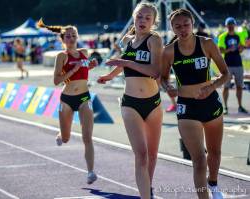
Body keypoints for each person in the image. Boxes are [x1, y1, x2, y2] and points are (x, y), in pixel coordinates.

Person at [161, 9, 230, 199]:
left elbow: (226, 73)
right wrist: (169, 87)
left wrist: (211, 87)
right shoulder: (168, 51)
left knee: (214, 153)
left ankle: (213, 184)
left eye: (186, 25)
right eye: (178, 26)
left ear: (192, 24)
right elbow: (163, 78)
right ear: (172, 28)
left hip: (211, 105)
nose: (182, 29)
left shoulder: (206, 44)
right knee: (199, 160)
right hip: (187, 108)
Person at [97, 2, 162, 199]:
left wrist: (124, 62)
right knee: (141, 155)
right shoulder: (127, 40)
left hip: (153, 104)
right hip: (130, 103)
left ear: (153, 22)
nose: (142, 21)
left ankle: (147, 188)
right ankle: (145, 197)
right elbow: (124, 62)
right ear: (134, 17)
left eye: (147, 18)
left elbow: (154, 71)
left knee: (152, 155)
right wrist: (110, 75)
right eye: (139, 17)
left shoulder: (154, 40)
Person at [37, 19, 98, 185]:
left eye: (73, 36)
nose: (71, 39)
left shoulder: (85, 52)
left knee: (87, 137)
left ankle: (90, 172)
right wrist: (73, 69)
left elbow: (85, 69)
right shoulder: (61, 56)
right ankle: (60, 134)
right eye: (68, 36)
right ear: (62, 39)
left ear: (77, 37)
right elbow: (56, 81)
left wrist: (91, 65)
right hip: (67, 99)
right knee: (66, 138)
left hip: (84, 97)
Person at [218, 17, 248, 114]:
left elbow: (242, 47)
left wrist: (241, 48)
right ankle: (225, 107)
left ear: (234, 25)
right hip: (227, 64)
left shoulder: (239, 35)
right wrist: (229, 50)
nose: (231, 26)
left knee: (239, 86)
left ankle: (240, 106)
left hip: (238, 64)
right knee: (226, 86)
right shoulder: (222, 36)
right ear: (226, 25)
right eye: (229, 24)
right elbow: (220, 50)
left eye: (232, 24)